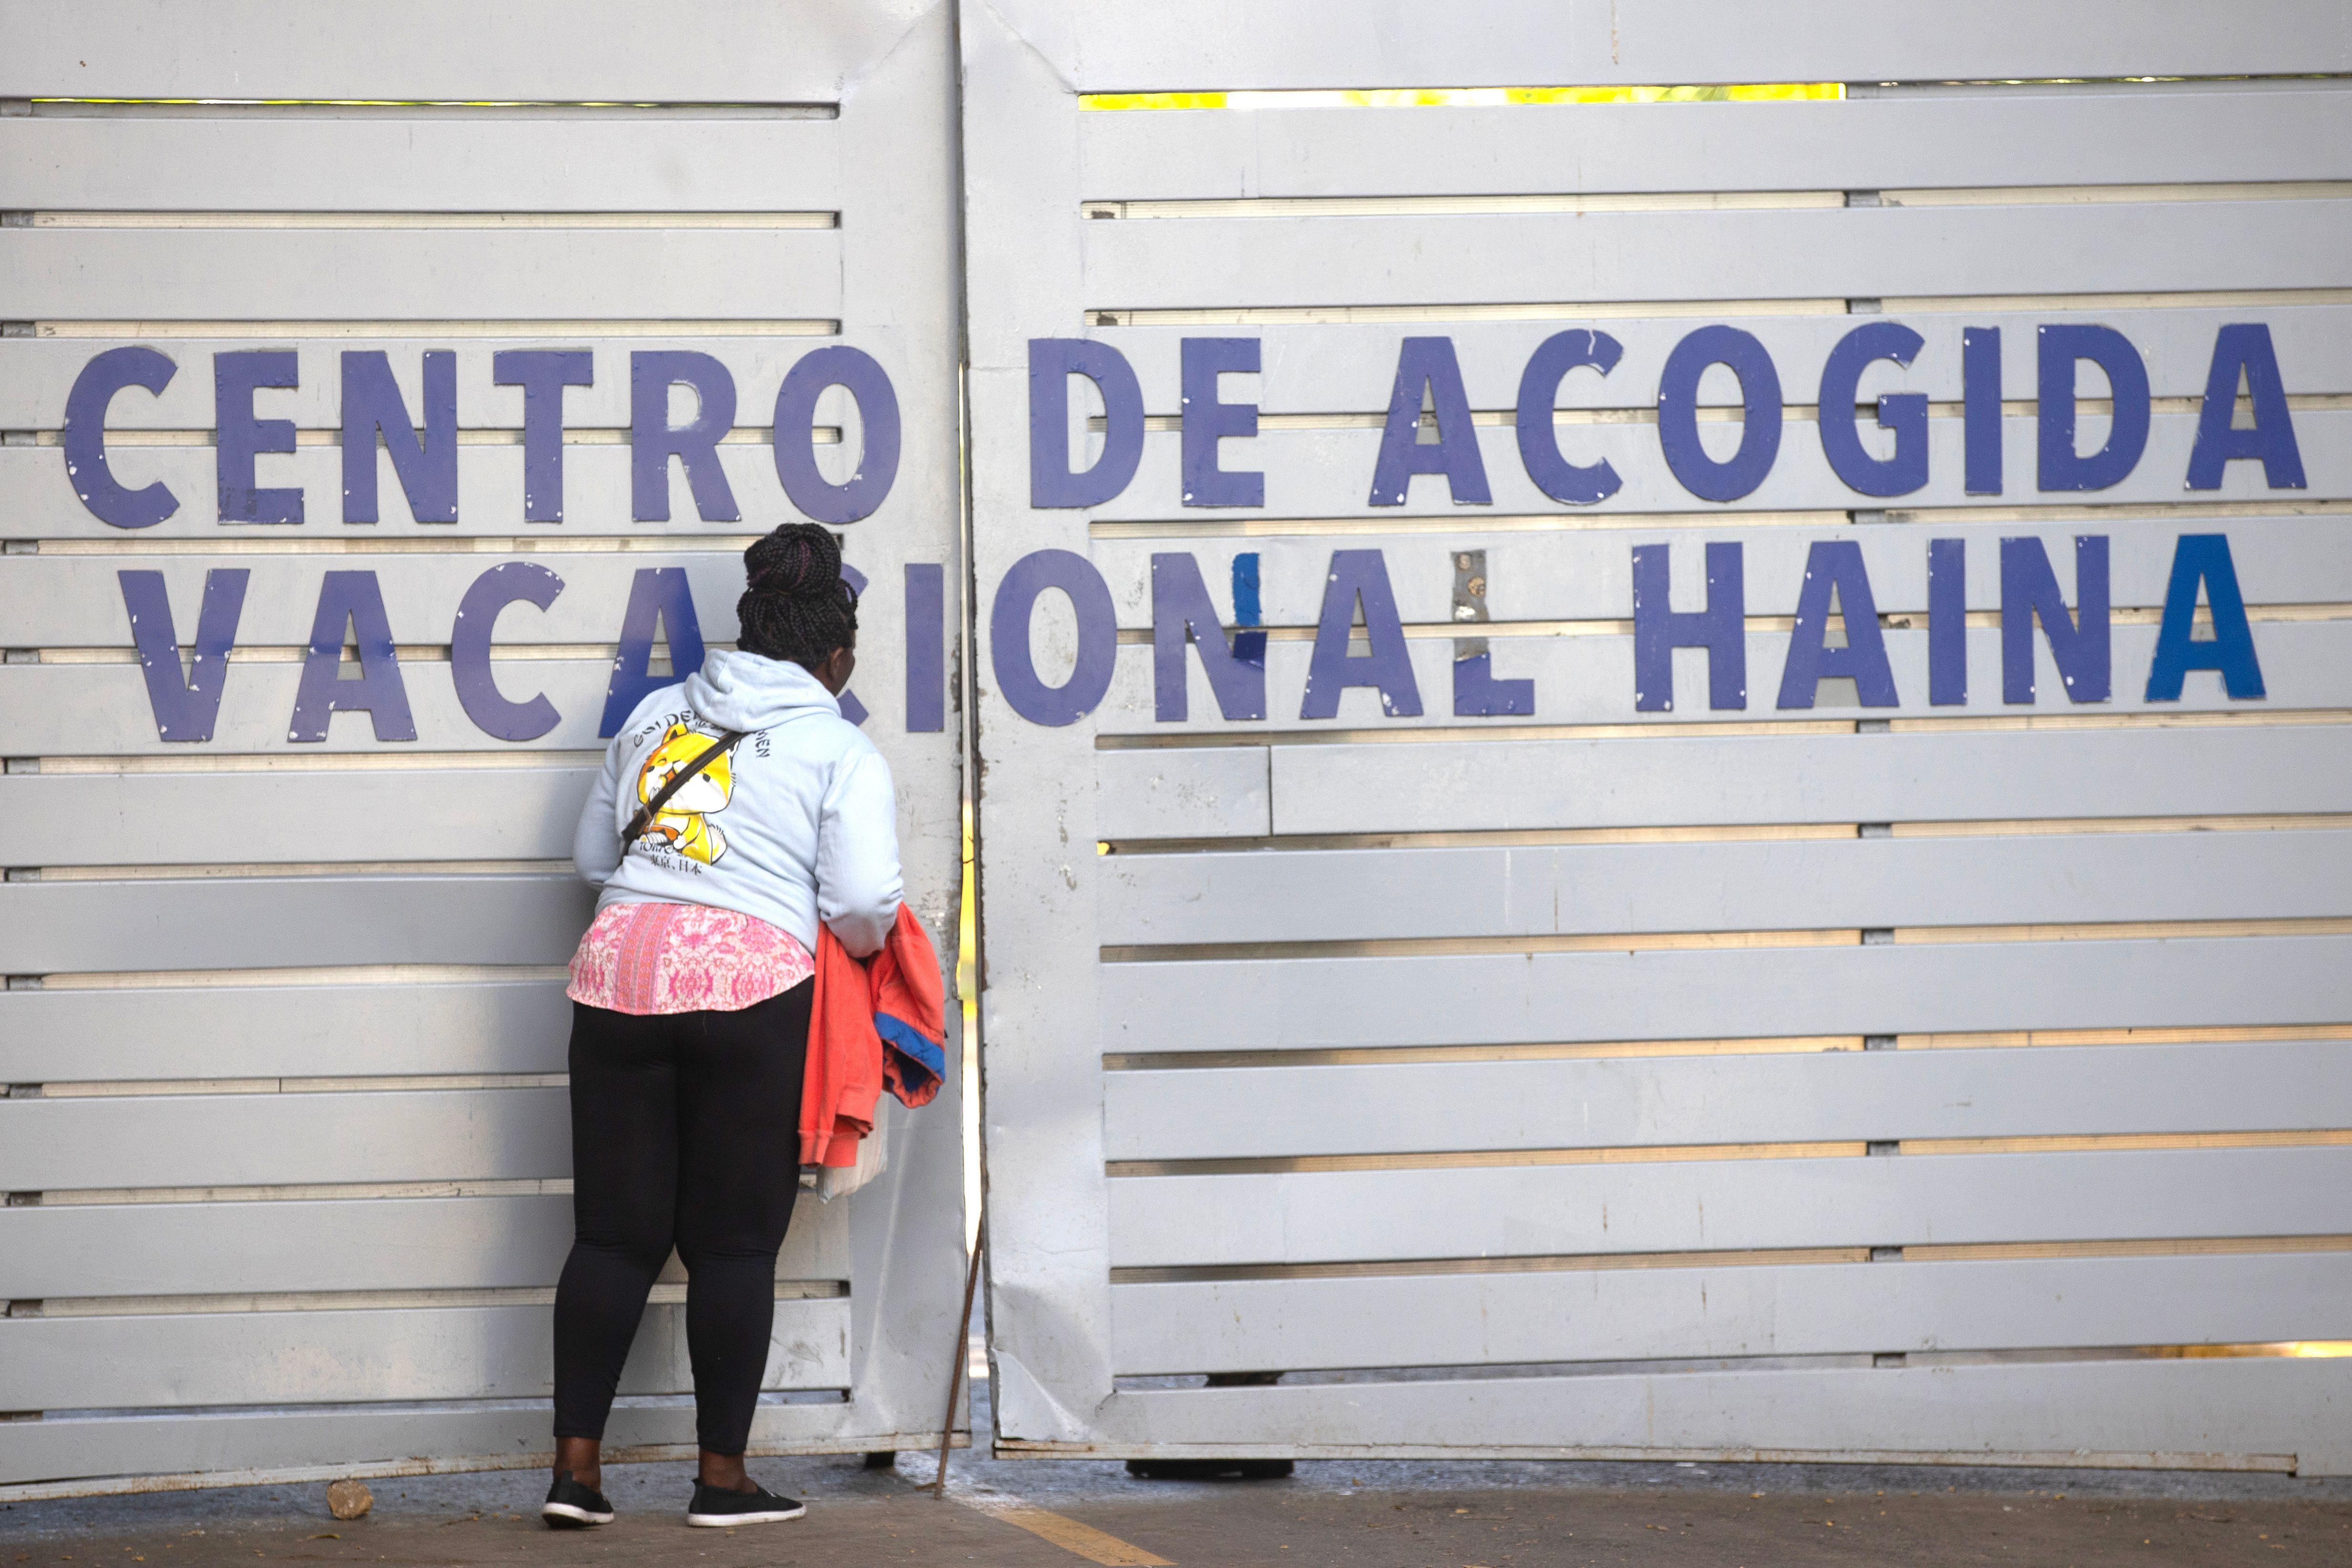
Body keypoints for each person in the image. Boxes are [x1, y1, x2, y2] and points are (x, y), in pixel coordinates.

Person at [541, 524, 902, 1530]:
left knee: (613, 1236)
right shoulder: (841, 747)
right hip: (750, 990)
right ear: (835, 658)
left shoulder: (656, 715)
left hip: (616, 978)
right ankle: (722, 1480)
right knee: (734, 1245)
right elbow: (867, 904)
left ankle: (575, 1475)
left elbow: (588, 859)